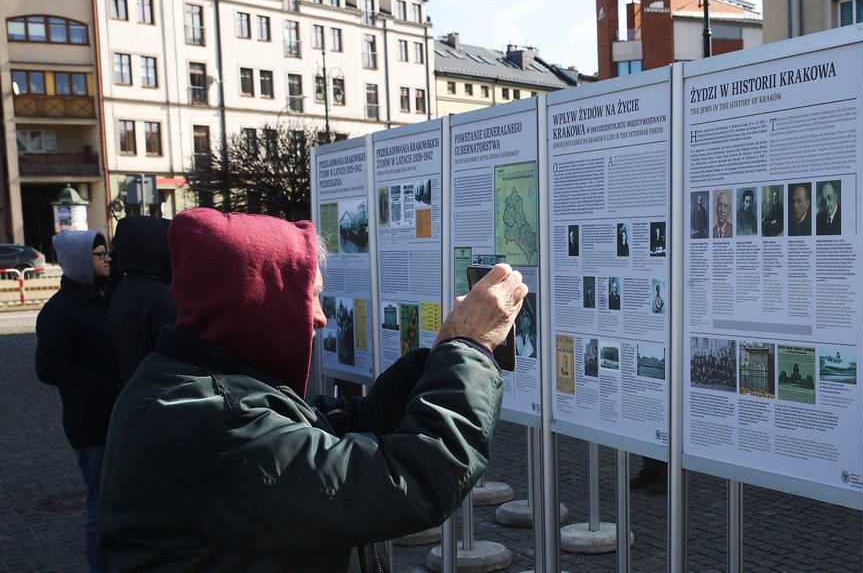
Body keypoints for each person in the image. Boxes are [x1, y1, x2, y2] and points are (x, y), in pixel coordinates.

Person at [98, 209, 524, 571]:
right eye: (311, 296)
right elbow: (411, 479)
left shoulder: (202, 383)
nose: (321, 317)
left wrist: (438, 359)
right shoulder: (213, 421)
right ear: (256, 299)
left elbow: (337, 429)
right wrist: (470, 349)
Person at [36, 229, 117, 573]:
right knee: (99, 509)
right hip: (91, 423)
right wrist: (106, 384)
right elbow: (50, 367)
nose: (108, 258)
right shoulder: (59, 310)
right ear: (82, 261)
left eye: (107, 252)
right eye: (100, 254)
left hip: (116, 415)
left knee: (117, 504)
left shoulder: (107, 296)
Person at [107, 216, 177, 384]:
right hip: (160, 393)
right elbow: (175, 355)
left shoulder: (124, 288)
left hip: (133, 391)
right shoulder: (161, 295)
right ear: (157, 247)